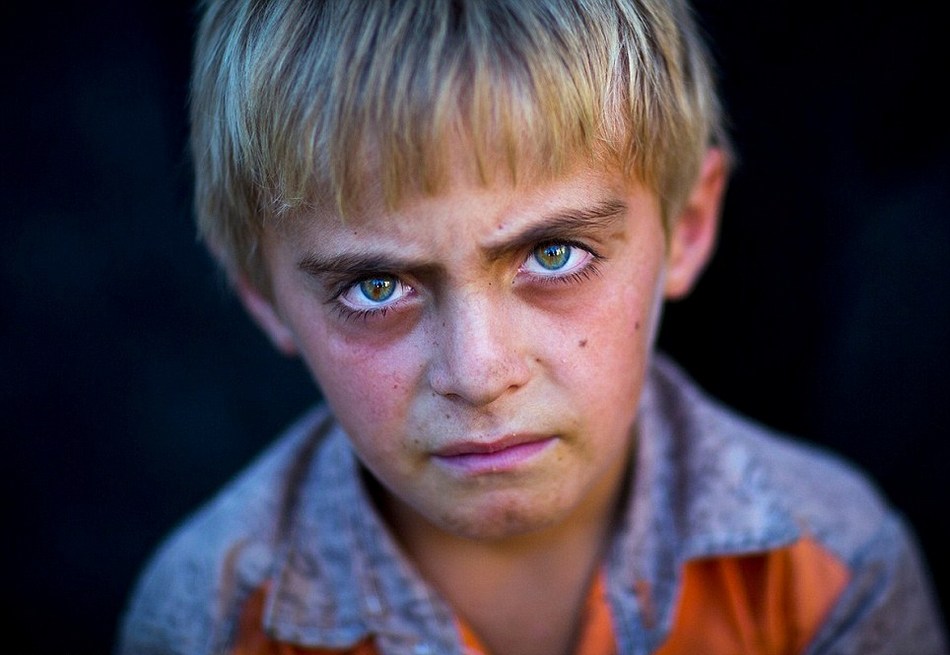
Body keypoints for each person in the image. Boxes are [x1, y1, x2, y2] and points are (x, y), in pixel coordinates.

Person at [116, 0, 947, 653]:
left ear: (688, 225)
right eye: (376, 285)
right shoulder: (209, 620)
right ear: (262, 293)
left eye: (552, 254)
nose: (478, 373)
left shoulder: (834, 570)